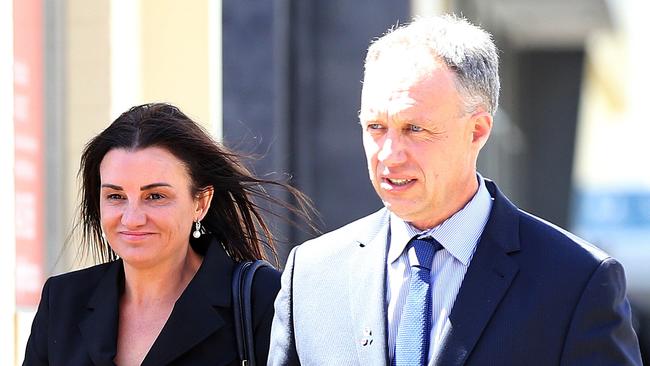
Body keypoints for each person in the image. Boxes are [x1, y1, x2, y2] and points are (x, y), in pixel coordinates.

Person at [268, 14, 642, 365]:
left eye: (415, 129)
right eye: (375, 128)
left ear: (477, 130)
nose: (389, 155)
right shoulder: (312, 277)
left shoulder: (577, 281)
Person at [23, 103, 313, 365]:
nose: (132, 218)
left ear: (200, 202)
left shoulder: (262, 298)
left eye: (155, 196)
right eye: (115, 196)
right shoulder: (63, 301)